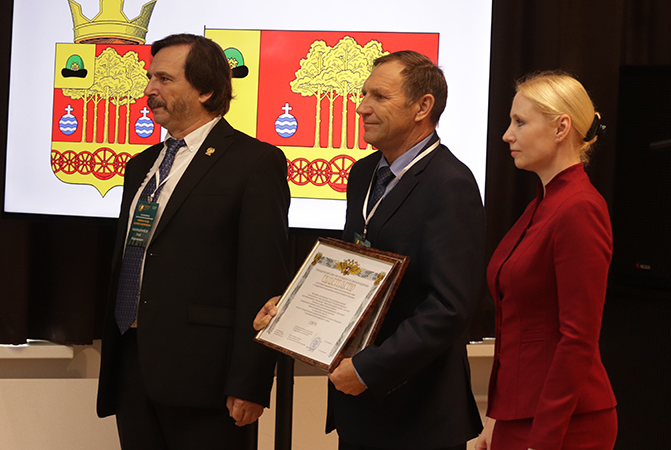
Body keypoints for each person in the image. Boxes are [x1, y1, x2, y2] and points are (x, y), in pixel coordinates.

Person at [256, 51, 486, 450]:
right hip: (360, 409)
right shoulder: (363, 173)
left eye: (379, 96)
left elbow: (449, 308)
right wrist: (288, 310)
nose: (362, 107)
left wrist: (368, 368)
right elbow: (350, 271)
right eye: (363, 94)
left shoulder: (450, 184)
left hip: (417, 415)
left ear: (422, 107)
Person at [96, 33, 290, 450]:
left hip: (207, 379)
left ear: (206, 91)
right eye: (150, 78)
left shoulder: (254, 162)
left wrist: (251, 381)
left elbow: (263, 277)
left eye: (164, 79)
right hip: (133, 365)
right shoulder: (141, 166)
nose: (149, 90)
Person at [475, 72, 617, 450]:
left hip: (565, 423)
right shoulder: (545, 203)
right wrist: (497, 414)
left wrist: (544, 439)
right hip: (521, 414)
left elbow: (578, 337)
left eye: (520, 122)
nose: (507, 135)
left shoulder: (579, 207)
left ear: (561, 128)